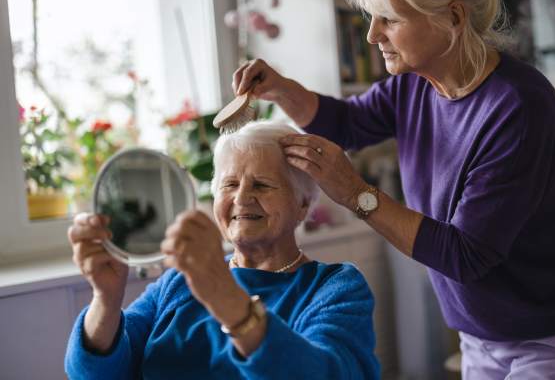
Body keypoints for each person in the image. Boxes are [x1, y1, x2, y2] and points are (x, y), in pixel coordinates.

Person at [231, 0, 555, 378]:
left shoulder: (519, 108)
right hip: (480, 337)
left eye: (388, 18)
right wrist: (282, 90)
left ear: (453, 17)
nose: (372, 35)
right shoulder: (413, 84)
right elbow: (348, 123)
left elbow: (465, 255)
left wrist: (355, 193)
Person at [64, 122, 380, 380]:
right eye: (229, 185)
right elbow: (93, 372)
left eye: (262, 185)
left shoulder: (335, 288)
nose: (242, 198)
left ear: (302, 204)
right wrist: (105, 298)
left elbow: (328, 374)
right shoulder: (177, 283)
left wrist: (223, 295)